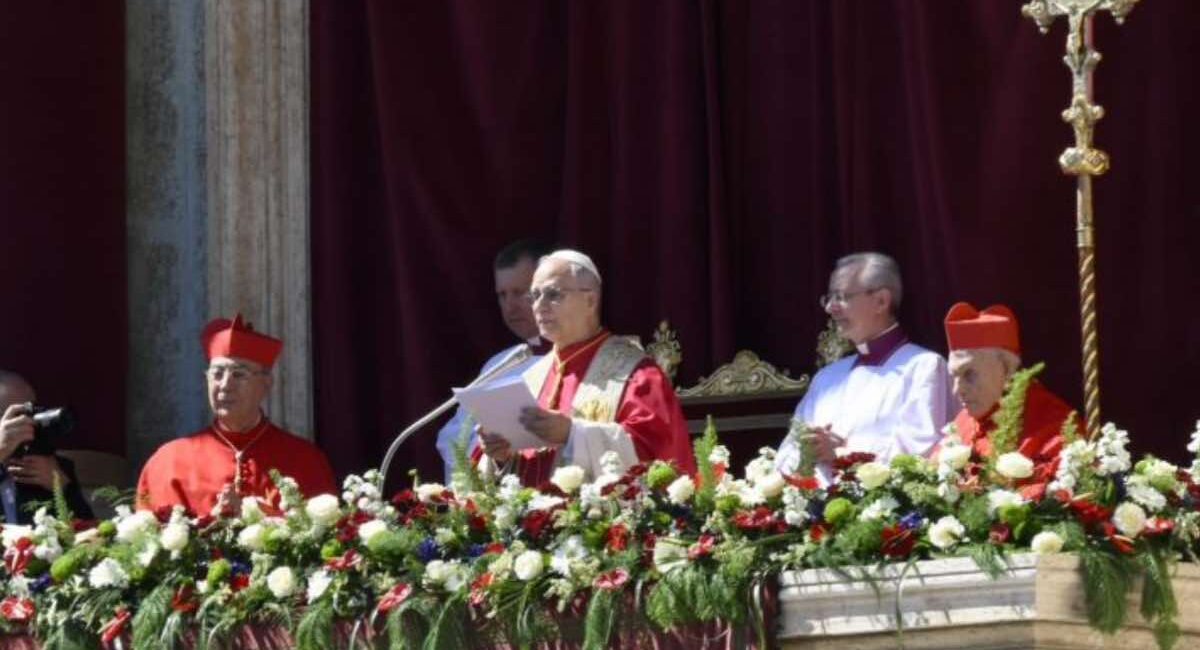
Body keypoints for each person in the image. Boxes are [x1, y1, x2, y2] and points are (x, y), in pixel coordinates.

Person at [479, 249, 696, 483]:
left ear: (590, 300)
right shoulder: (533, 377)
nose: (539, 306)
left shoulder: (637, 375)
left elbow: (656, 452)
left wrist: (571, 432)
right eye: (534, 295)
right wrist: (500, 456)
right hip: (526, 516)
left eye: (553, 294)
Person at [775, 252, 955, 483]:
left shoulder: (924, 368)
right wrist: (807, 450)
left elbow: (920, 456)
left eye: (841, 297)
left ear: (881, 301)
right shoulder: (826, 378)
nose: (830, 308)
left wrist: (841, 455)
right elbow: (786, 454)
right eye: (828, 298)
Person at [137, 315, 337, 514]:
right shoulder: (169, 460)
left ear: (266, 384)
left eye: (239, 374)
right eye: (217, 374)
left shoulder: (305, 460)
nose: (225, 386)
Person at [435, 239, 552, 482]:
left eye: (520, 293)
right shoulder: (501, 364)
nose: (510, 306)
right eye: (502, 295)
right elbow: (454, 439)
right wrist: (489, 452)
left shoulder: (587, 359)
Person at [941, 302, 1079, 497]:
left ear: (1007, 369)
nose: (957, 390)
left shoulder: (1056, 429)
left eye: (969, 374)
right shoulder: (962, 422)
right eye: (954, 376)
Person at [0, 370, 93, 523]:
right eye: (17, 414)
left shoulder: (51, 466)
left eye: (31, 410)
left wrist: (62, 487)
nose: (28, 421)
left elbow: (89, 532)